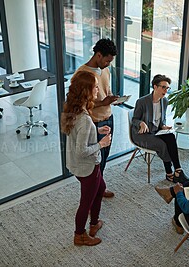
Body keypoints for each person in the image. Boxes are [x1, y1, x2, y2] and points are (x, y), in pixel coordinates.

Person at [61, 71, 112, 246]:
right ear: (86, 91)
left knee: (101, 189)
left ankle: (94, 223)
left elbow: (78, 135)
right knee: (86, 202)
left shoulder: (72, 109)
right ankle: (79, 234)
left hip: (79, 166)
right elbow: (81, 151)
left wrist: (97, 131)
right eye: (95, 87)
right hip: (87, 167)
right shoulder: (84, 119)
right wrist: (102, 144)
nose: (98, 90)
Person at [73, 38, 118, 198]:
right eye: (107, 60)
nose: (108, 64)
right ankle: (94, 191)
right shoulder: (82, 74)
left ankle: (100, 186)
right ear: (98, 55)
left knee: (104, 157)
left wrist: (111, 98)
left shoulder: (105, 70)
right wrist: (102, 103)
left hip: (108, 117)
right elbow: (78, 103)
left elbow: (106, 90)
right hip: (93, 122)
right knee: (95, 161)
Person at [131, 74, 189, 185]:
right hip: (141, 134)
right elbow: (134, 120)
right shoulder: (142, 101)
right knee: (162, 145)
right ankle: (169, 173)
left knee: (170, 137)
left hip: (156, 130)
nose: (165, 90)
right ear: (155, 86)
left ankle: (178, 170)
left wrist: (163, 126)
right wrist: (141, 123)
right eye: (163, 87)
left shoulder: (164, 101)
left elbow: (161, 120)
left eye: (167, 88)